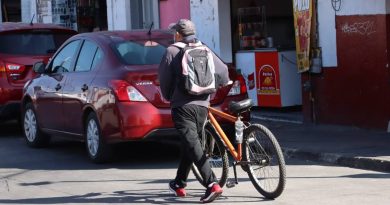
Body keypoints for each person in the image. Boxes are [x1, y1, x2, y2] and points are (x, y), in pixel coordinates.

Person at [158, 19, 230, 203]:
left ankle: (211, 184)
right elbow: (223, 72)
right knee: (190, 144)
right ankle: (179, 183)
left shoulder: (172, 51)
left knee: (193, 145)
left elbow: (164, 81)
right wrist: (213, 88)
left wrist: (169, 97)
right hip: (203, 106)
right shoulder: (203, 48)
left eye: (175, 32)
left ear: (178, 34)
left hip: (182, 107)